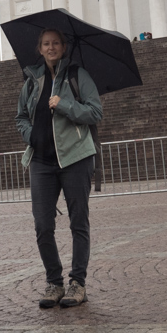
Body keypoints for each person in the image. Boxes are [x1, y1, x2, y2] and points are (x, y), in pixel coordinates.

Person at [15, 30, 103, 309]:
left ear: (64, 47)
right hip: (41, 161)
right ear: (39, 49)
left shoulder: (78, 76)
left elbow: (95, 112)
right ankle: (54, 282)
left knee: (79, 222)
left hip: (75, 158)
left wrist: (64, 105)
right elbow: (20, 117)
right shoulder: (32, 80)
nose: (51, 47)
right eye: (45, 44)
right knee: (43, 225)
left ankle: (78, 283)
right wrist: (31, 135)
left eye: (55, 43)